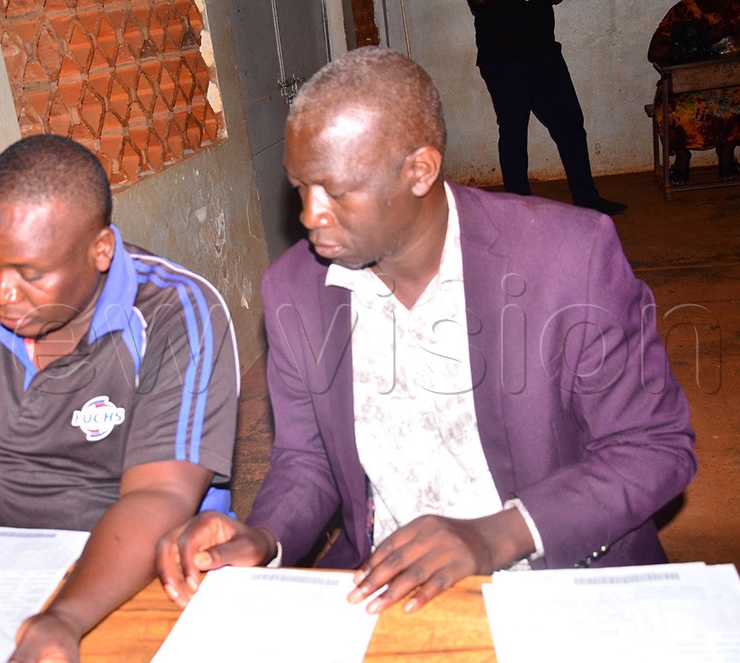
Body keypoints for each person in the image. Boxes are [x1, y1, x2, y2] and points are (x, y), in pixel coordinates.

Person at [157, 47, 696, 616]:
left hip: (555, 574)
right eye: (299, 187)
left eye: (335, 190)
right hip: (385, 585)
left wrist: (497, 534)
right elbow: (306, 460)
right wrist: (262, 537)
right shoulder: (295, 290)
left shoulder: (566, 257)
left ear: (420, 169)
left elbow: (654, 448)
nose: (310, 214)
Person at [0, 135, 239, 661]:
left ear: (100, 251)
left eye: (30, 273)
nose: (0, 291)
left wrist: (63, 617)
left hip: (140, 575)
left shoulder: (175, 314)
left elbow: (160, 498)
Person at [467, 0, 628, 216]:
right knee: (513, 133)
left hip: (545, 52)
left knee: (570, 125)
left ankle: (587, 198)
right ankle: (520, 209)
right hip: (504, 58)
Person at [647, 0, 740, 185]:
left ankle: (726, 155)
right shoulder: (682, 11)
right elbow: (655, 52)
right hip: (688, 86)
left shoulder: (735, 9)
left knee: (735, 103)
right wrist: (705, 37)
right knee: (672, 109)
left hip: (728, 84)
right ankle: (682, 158)